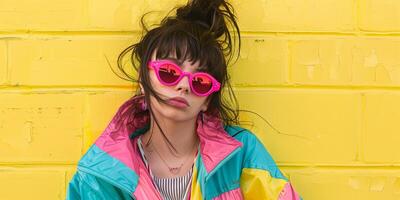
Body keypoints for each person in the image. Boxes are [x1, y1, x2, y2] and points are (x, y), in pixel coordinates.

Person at [66, 0, 302, 199]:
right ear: (142, 80)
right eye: (169, 72)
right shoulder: (100, 175)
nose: (184, 85)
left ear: (208, 100)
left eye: (200, 81)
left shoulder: (243, 155)